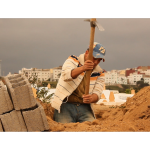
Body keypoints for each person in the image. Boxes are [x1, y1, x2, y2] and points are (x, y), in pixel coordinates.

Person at [51, 42, 106, 123]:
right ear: (87, 53)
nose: (96, 62)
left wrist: (92, 98)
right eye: (94, 58)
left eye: (99, 60)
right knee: (65, 129)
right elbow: (66, 75)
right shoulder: (72, 60)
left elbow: (97, 93)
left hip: (84, 108)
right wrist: (83, 68)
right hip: (65, 105)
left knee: (92, 128)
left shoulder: (100, 73)